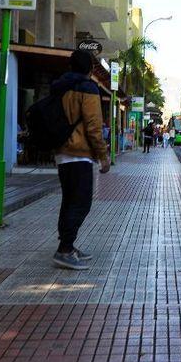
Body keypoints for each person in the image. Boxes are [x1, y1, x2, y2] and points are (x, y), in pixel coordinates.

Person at [51, 50, 111, 271]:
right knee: (81, 203)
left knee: (68, 201)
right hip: (80, 154)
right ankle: (64, 250)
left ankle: (67, 245)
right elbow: (94, 126)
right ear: (90, 69)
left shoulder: (58, 87)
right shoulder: (88, 89)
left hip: (61, 152)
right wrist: (103, 156)